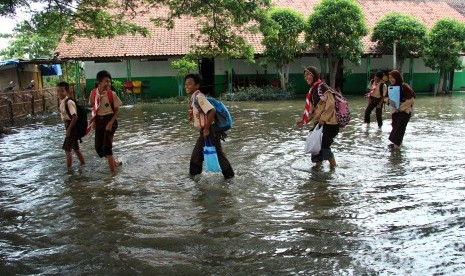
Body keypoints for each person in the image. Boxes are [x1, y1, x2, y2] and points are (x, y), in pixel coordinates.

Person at [186, 73, 234, 179]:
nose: (187, 86)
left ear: (197, 85)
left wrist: (206, 129)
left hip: (209, 130)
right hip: (207, 130)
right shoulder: (195, 97)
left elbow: (212, 110)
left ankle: (229, 176)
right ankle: (195, 179)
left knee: (203, 155)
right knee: (199, 155)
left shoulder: (199, 97)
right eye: (186, 84)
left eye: (189, 84)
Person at [296, 66, 339, 168]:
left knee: (324, 146)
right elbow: (312, 111)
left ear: (314, 75)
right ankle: (317, 167)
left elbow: (331, 104)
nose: (306, 77)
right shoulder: (313, 90)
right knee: (316, 146)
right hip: (320, 123)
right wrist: (303, 120)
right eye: (305, 75)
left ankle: (333, 168)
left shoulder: (322, 87)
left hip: (330, 123)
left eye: (308, 74)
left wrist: (323, 119)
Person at [87, 70, 123, 172]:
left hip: (110, 120)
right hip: (99, 120)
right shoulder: (93, 93)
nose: (108, 84)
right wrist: (93, 121)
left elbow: (116, 111)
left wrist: (111, 123)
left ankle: (113, 176)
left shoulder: (112, 94)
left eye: (109, 82)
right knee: (98, 148)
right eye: (106, 81)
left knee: (107, 147)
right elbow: (94, 107)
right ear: (99, 82)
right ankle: (115, 161)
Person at [57, 81, 85, 169]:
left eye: (62, 91)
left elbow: (75, 117)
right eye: (58, 91)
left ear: (67, 91)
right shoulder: (62, 101)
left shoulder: (69, 102)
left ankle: (69, 171)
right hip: (70, 127)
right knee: (76, 149)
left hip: (72, 127)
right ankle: (83, 164)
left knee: (67, 149)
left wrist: (69, 129)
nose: (60, 93)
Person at [387, 70, 416, 150]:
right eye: (390, 78)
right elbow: (387, 98)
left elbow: (411, 100)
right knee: (395, 127)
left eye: (393, 78)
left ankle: (397, 148)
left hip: (404, 112)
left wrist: (400, 108)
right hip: (395, 112)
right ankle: (397, 146)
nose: (391, 79)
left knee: (399, 128)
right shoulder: (391, 87)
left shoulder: (404, 86)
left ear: (397, 77)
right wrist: (389, 101)